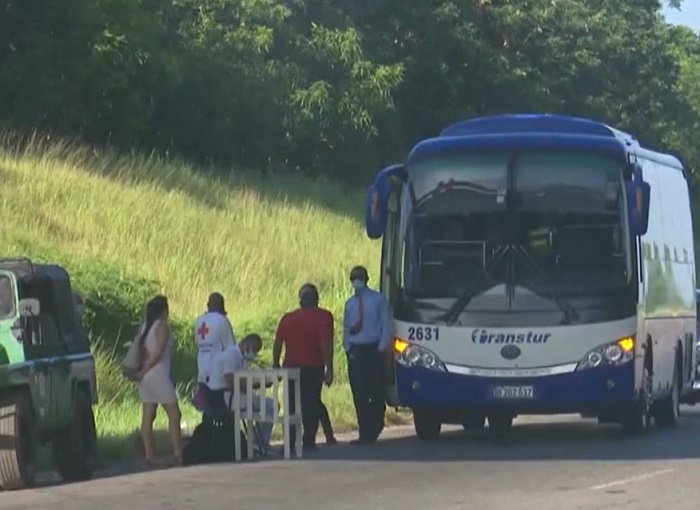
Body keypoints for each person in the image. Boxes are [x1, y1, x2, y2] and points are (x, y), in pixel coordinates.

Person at [273, 284, 333, 451]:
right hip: (313, 367)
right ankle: (308, 440)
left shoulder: (288, 318)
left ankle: (290, 442)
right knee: (311, 405)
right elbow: (325, 345)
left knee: (290, 405)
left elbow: (278, 343)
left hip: (291, 368)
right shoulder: (322, 317)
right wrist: (329, 368)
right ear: (316, 299)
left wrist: (275, 363)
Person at [343, 266, 392, 445]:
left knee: (376, 391)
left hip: (373, 350)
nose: (356, 281)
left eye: (359, 277)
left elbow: (386, 323)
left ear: (366, 278)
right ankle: (365, 432)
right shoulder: (350, 303)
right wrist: (347, 348)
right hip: (356, 351)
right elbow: (346, 328)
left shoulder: (377, 299)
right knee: (360, 393)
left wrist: (382, 346)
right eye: (353, 278)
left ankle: (376, 423)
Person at [133, 295, 183, 466]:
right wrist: (147, 368)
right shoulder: (161, 327)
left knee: (148, 416)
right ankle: (178, 452)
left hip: (144, 377)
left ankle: (149, 455)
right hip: (158, 374)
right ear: (164, 310)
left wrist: (141, 371)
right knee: (174, 414)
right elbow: (159, 351)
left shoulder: (144, 327)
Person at [212, 333, 275, 450]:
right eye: (254, 350)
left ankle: (260, 442)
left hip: (237, 395)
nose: (254, 354)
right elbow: (231, 382)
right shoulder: (231, 355)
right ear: (247, 345)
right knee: (268, 406)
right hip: (227, 397)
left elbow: (243, 382)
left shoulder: (241, 359)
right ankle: (255, 443)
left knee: (272, 405)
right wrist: (256, 384)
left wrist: (260, 384)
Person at [194, 292, 236, 388]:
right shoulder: (222, 320)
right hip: (218, 375)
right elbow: (231, 350)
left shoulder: (199, 321)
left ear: (208, 305)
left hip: (202, 371)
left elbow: (198, 344)